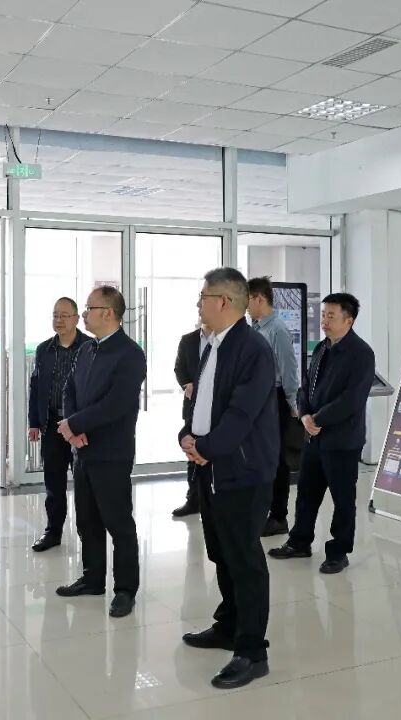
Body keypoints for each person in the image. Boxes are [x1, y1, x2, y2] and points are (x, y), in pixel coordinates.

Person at [179, 267, 279, 690]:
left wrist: (207, 447)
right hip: (212, 467)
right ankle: (229, 625)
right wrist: (187, 435)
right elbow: (201, 402)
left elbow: (242, 413)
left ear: (223, 301)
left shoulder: (253, 349)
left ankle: (252, 652)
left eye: (203, 296)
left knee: (244, 559)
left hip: (241, 471)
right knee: (221, 552)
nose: (199, 303)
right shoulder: (214, 344)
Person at [55, 286, 146, 619]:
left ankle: (125, 589)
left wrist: (75, 424)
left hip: (111, 452)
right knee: (87, 520)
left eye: (89, 309)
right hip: (83, 451)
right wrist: (72, 426)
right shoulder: (87, 349)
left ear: (108, 313)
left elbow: (117, 404)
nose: (84, 315)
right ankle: (93, 578)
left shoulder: (130, 354)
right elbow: (69, 389)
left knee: (118, 522)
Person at [269, 293, 375, 575]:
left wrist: (317, 418)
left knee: (342, 500)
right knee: (306, 493)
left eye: (331, 316)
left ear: (348, 321)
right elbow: (305, 386)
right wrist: (304, 414)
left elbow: (352, 399)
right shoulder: (321, 348)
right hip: (313, 436)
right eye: (324, 315)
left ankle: (338, 552)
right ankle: (299, 542)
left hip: (342, 440)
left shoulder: (361, 354)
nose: (324, 321)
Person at [28, 297, 90, 552]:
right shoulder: (44, 349)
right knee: (53, 482)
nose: (59, 320)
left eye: (65, 315)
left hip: (81, 423)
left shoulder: (90, 347)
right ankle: (52, 532)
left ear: (76, 318)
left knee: (85, 483)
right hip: (53, 424)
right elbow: (36, 387)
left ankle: (88, 534)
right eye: (55, 315)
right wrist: (34, 422)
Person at [246, 276, 301, 537]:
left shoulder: (277, 329)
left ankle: (279, 516)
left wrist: (292, 402)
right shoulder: (255, 328)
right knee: (261, 456)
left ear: (259, 298)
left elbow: (289, 369)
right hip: (259, 399)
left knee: (276, 459)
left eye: (247, 300)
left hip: (275, 399)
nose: (245, 306)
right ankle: (263, 510)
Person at [171, 323, 210, 518]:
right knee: (191, 450)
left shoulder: (223, 339)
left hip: (214, 406)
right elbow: (178, 368)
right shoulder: (188, 340)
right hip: (192, 403)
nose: (201, 310)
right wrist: (187, 384)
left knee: (212, 449)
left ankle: (211, 498)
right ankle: (193, 499)